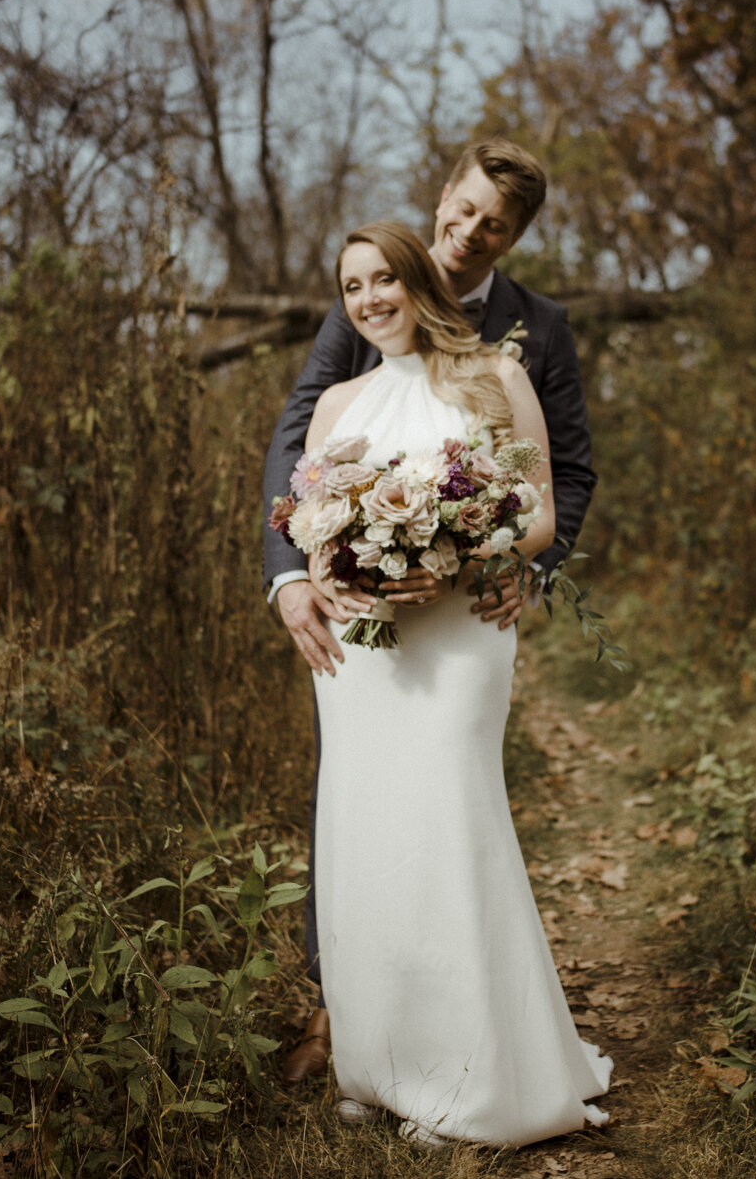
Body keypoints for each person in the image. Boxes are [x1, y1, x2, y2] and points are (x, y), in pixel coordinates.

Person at [259, 140, 598, 1083]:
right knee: (364, 812)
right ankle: (360, 1024)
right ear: (442, 201)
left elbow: (554, 484)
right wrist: (305, 573)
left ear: (514, 234)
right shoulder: (358, 331)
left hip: (463, 619)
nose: (469, 231)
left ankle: (482, 1045)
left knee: (451, 805)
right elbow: (304, 459)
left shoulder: (523, 345)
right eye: (461, 210)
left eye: (492, 223)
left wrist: (505, 567)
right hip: (366, 634)